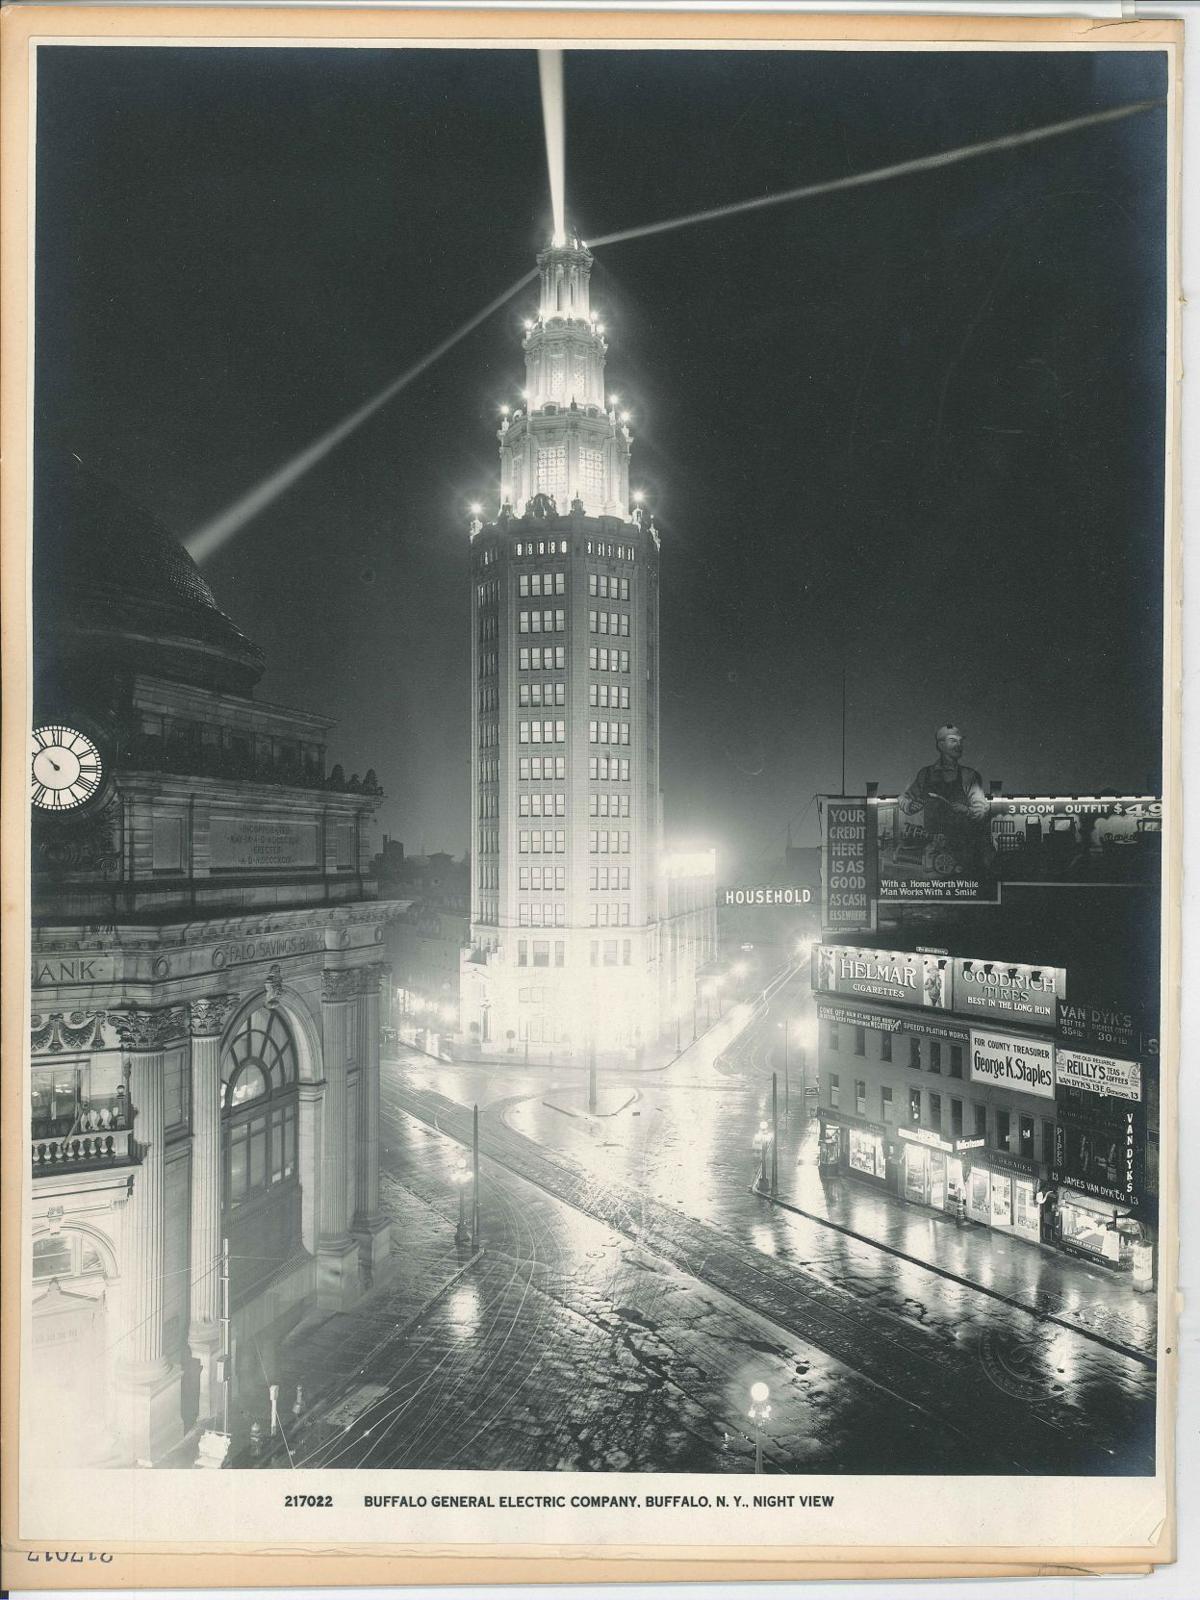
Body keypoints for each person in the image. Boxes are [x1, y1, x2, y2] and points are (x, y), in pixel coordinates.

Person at [900, 725, 990, 876]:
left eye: (960, 742)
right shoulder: (925, 774)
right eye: (953, 741)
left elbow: (982, 810)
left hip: (963, 848)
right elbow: (904, 798)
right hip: (933, 846)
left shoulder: (969, 775)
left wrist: (966, 810)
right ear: (940, 745)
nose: (959, 745)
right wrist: (910, 806)